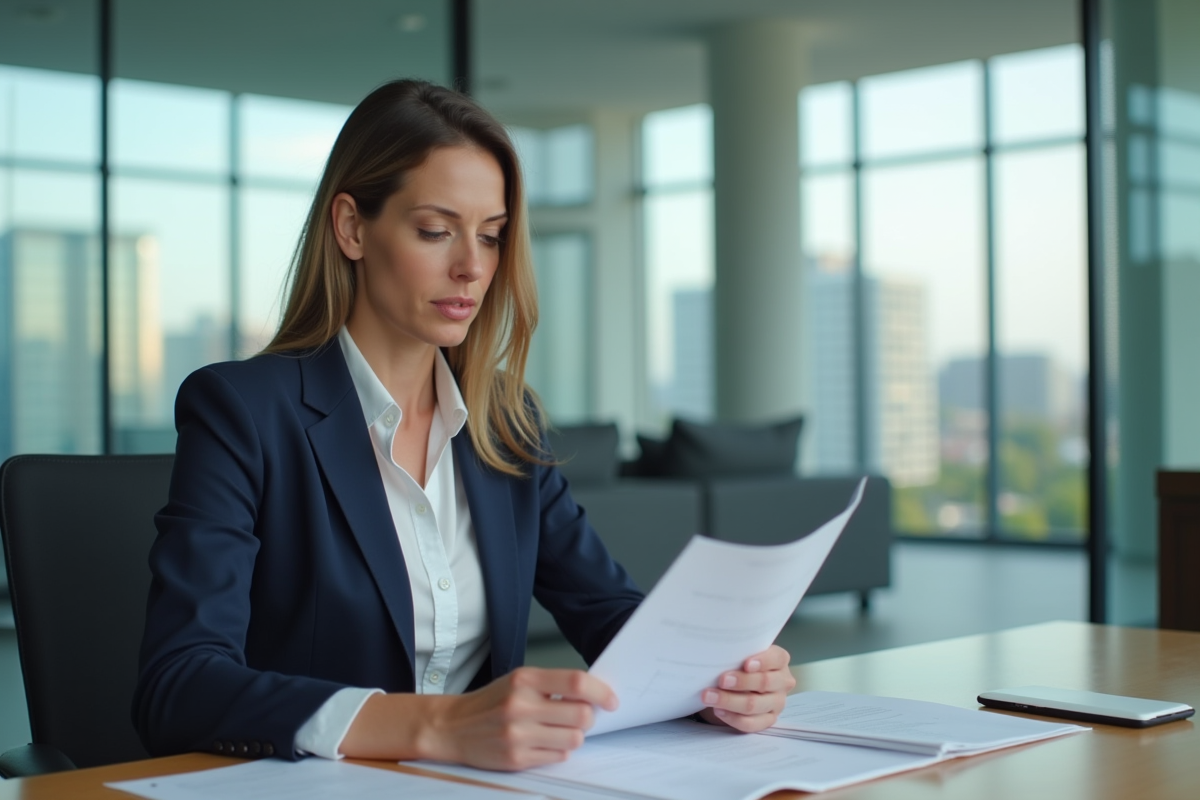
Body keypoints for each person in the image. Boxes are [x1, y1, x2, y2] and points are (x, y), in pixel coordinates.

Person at [133, 79, 796, 772]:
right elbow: (179, 685)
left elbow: (609, 613)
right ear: (352, 227)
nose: (472, 268)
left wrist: (720, 679)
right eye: (435, 230)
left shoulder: (507, 425)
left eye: (491, 235)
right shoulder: (242, 411)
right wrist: (437, 727)